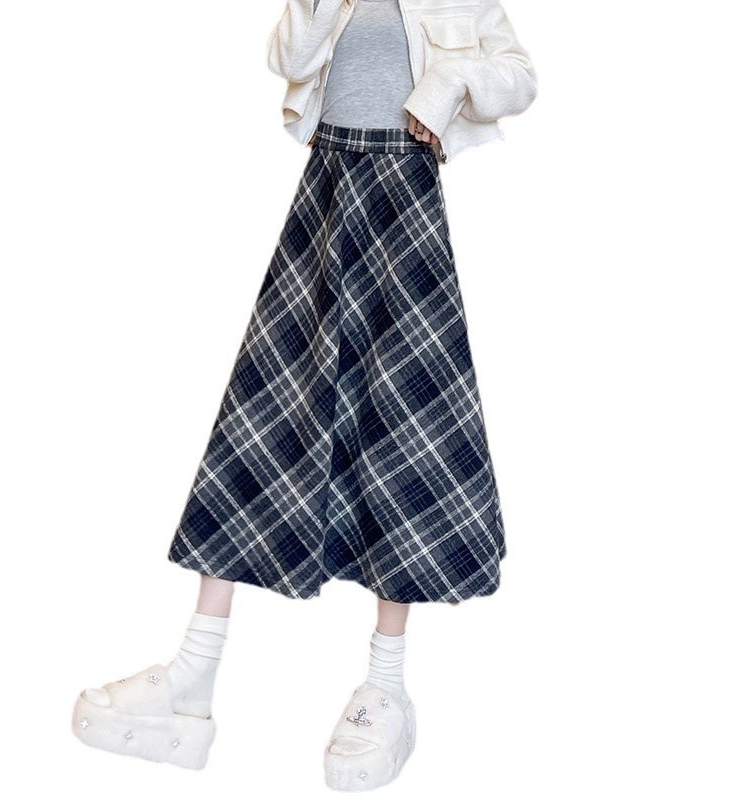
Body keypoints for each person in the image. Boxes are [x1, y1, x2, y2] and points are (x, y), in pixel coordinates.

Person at [72, 0, 536, 790]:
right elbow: (287, 59)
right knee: (263, 415)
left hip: (402, 203)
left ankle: (385, 688)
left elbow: (520, 78)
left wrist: (448, 82)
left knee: (404, 426)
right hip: (324, 194)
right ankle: (192, 676)